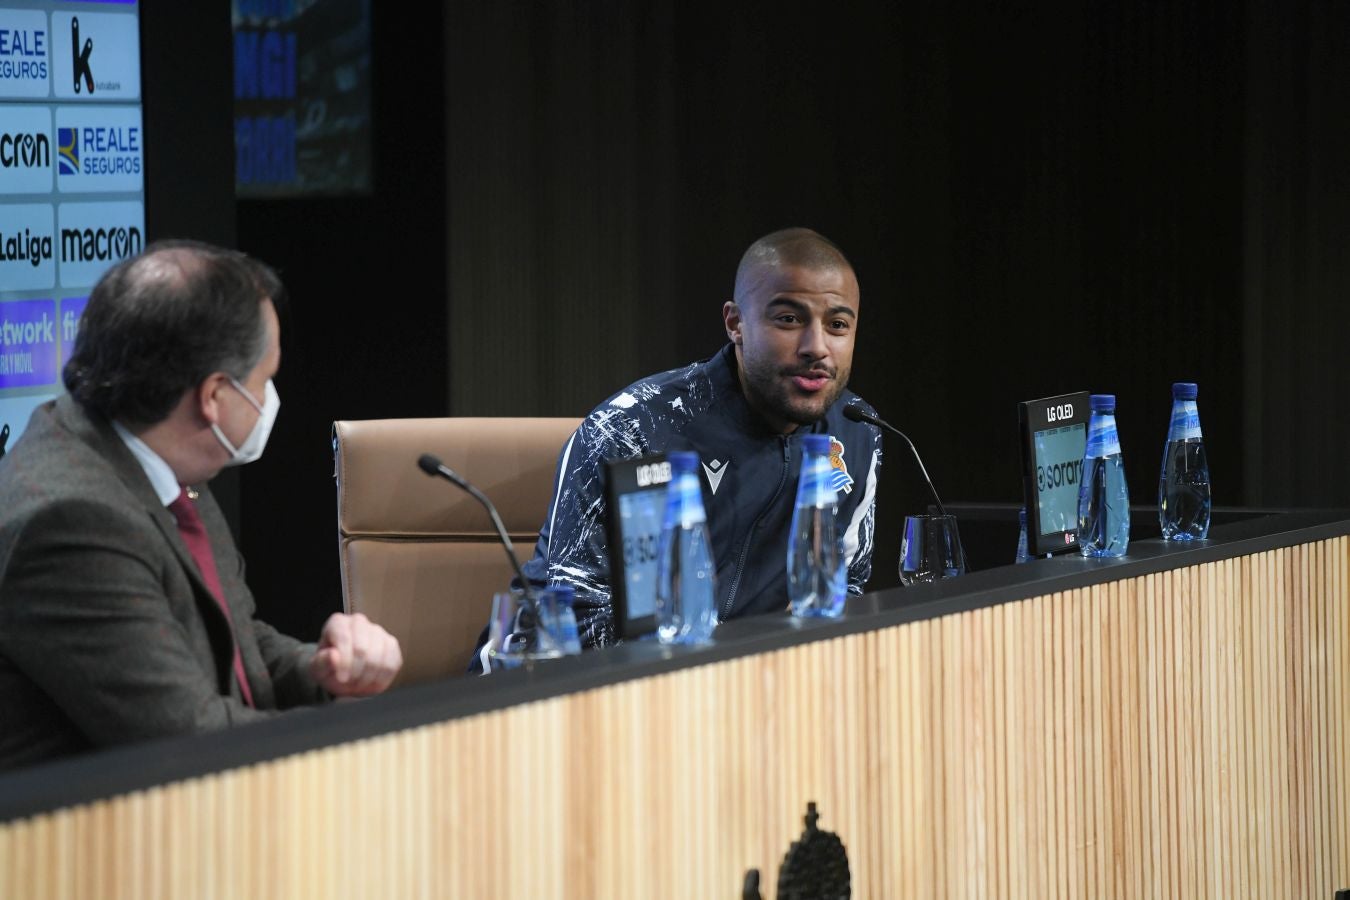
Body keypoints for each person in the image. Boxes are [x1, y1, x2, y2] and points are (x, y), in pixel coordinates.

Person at [0, 240, 402, 771]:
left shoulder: (159, 457)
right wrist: (367, 734)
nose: (270, 398)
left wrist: (324, 671)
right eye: (265, 380)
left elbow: (234, 641)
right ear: (214, 396)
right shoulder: (71, 522)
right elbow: (192, 743)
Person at [477, 227, 882, 668]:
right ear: (735, 324)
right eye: (788, 319)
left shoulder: (858, 431)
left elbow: (844, 591)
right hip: (548, 690)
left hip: (734, 689)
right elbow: (571, 619)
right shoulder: (634, 429)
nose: (816, 347)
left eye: (838, 325)